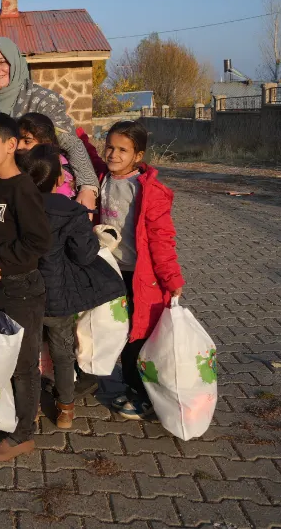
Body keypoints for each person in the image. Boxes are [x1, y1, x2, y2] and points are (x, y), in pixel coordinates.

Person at [18, 145, 125, 429]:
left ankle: (28, 408)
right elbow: (83, 254)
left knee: (26, 354)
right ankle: (65, 409)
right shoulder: (72, 211)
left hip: (24, 294)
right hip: (58, 297)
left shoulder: (17, 206)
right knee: (62, 352)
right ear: (58, 181)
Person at [0, 112, 51, 462]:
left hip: (22, 289)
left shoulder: (22, 189)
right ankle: (1, 415)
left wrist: (2, 259)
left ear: (11, 145)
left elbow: (39, 241)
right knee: (0, 359)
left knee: (22, 365)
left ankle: (22, 434)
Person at [100, 121, 184, 421]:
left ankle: (142, 395)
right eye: (109, 146)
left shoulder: (148, 191)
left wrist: (172, 278)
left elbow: (162, 238)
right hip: (109, 272)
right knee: (114, 331)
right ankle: (126, 386)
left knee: (137, 339)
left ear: (138, 156)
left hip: (139, 278)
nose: (113, 154)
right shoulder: (102, 178)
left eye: (123, 150)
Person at [0, 37, 99, 211]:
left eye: (3, 62)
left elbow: (71, 143)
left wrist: (88, 188)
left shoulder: (40, 100)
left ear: (15, 63)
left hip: (37, 192)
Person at [17, 112, 75, 198]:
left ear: (45, 142)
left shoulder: (54, 169)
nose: (19, 146)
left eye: (27, 141)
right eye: (17, 141)